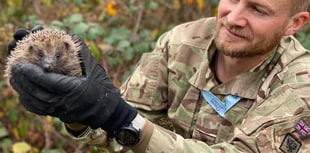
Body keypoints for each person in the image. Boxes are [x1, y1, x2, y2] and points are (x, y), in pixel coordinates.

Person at [7, 0, 310, 152]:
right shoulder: (181, 42)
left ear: (294, 23)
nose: (232, 18)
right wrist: (77, 109)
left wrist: (119, 117)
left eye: (257, 9)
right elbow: (116, 136)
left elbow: (124, 122)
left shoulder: (301, 85)